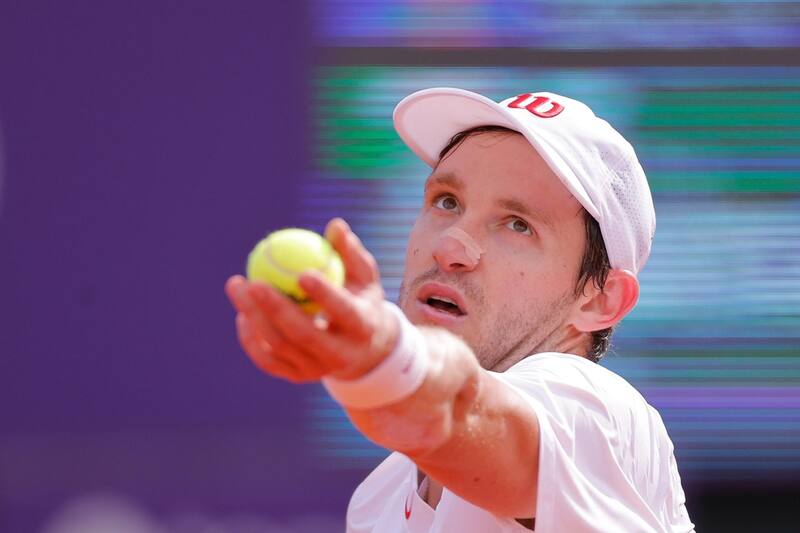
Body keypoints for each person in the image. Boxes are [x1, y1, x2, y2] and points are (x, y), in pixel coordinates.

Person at [225, 88, 695, 532]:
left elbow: (486, 428)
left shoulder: (598, 411)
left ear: (599, 298)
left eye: (517, 225)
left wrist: (381, 357)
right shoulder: (379, 496)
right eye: (446, 201)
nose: (451, 245)